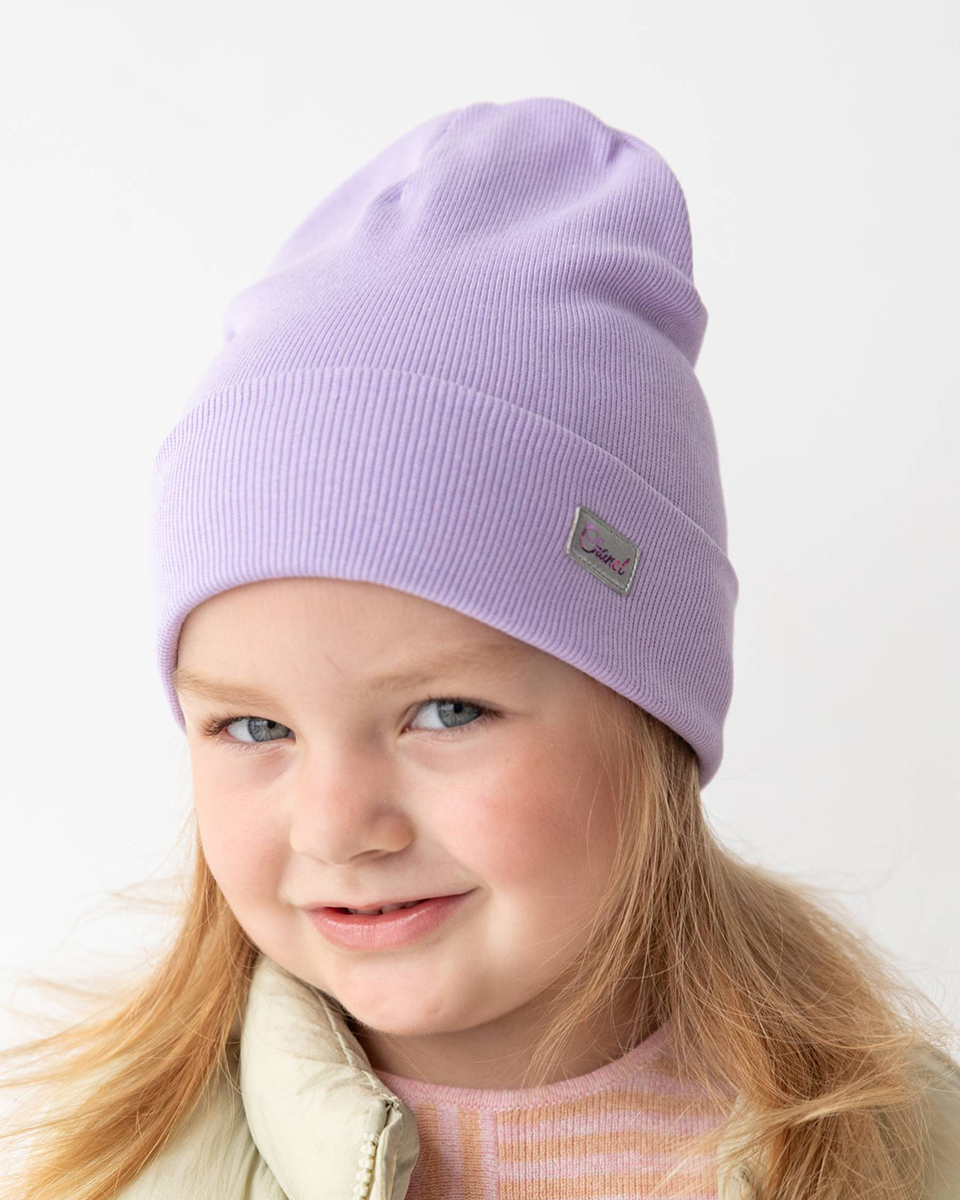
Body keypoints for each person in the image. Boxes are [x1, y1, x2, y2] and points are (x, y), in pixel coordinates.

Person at [2, 96, 958, 1200]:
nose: (336, 825)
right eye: (254, 727)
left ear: (654, 707)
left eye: (445, 713)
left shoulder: (901, 1154)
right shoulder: (119, 1174)